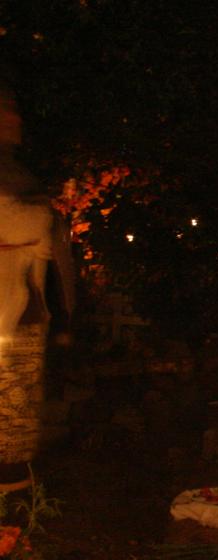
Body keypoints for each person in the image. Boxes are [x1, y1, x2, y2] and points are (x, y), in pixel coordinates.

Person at [0, 85, 71, 490]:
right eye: (6, 113)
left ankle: (13, 508)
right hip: (3, 303)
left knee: (17, 408)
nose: (16, 121)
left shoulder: (18, 173)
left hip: (25, 307)